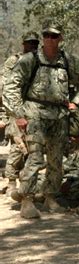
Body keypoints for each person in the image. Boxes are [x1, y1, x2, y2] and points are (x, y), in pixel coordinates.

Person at [3, 20, 79, 219]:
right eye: (47, 35)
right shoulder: (29, 60)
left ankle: (50, 197)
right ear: (43, 37)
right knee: (35, 156)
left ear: (60, 38)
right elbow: (11, 87)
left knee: (56, 159)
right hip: (34, 112)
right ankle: (27, 199)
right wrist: (18, 114)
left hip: (59, 115)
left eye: (54, 36)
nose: (50, 39)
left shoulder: (68, 61)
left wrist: (76, 102)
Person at [1, 31, 40, 197]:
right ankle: (11, 181)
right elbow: (4, 85)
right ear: (23, 44)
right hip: (17, 108)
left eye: (35, 44)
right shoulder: (14, 60)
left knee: (34, 146)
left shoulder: (40, 61)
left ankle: (29, 183)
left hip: (34, 109)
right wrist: (6, 112)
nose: (32, 46)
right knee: (18, 145)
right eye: (29, 43)